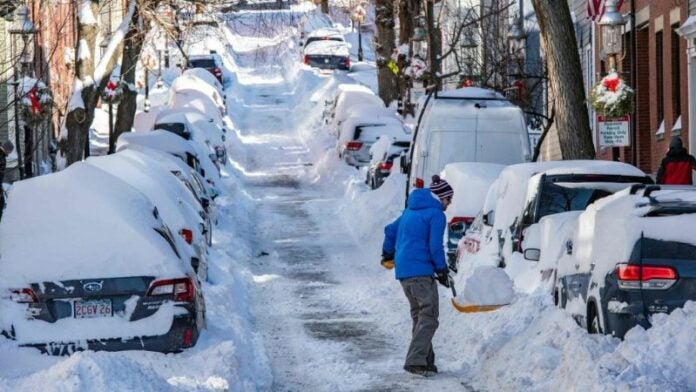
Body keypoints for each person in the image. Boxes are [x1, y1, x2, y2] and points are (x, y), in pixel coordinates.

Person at [382, 175, 453, 377]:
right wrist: (441, 268)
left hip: (404, 272)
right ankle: (414, 360)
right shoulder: (436, 215)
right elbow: (434, 246)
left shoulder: (409, 211)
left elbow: (389, 231)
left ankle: (426, 361)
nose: (450, 203)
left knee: (420, 316)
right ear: (440, 198)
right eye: (449, 198)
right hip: (421, 272)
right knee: (429, 316)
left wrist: (387, 253)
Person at [0, 140, 14, 221]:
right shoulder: (1, 156)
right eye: (10, 151)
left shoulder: (2, 155)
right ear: (7, 149)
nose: (9, 154)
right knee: (1, 203)